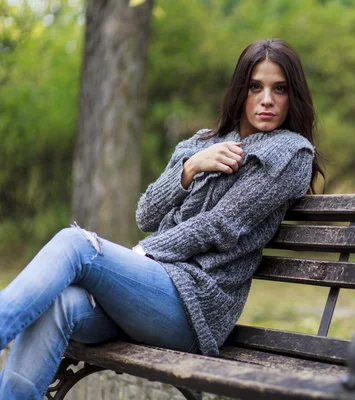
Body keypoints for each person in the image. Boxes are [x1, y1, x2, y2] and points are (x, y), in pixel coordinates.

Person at [0, 38, 325, 400]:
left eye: (279, 89)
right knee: (61, 305)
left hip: (195, 307)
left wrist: (143, 253)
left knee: (76, 245)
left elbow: (220, 225)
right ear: (240, 91)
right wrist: (189, 169)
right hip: (152, 295)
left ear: (292, 95)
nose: (267, 99)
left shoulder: (290, 155)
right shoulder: (201, 143)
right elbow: (147, 213)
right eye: (255, 87)